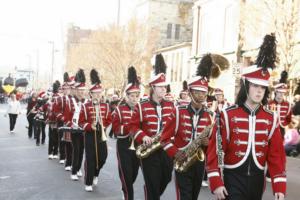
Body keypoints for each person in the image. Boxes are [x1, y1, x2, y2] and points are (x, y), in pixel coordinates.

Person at [206, 34, 286, 200]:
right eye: (255, 86)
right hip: (232, 179)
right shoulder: (228, 115)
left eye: (262, 88)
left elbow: (276, 154)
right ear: (246, 86)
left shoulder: (271, 118)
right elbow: (217, 149)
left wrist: (279, 184)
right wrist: (216, 180)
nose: (258, 91)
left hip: (257, 180)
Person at [160, 54, 214, 200]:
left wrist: (207, 144)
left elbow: (214, 144)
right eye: (198, 92)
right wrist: (175, 152)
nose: (202, 95)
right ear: (190, 93)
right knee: (184, 196)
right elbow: (164, 139)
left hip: (199, 163)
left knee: (194, 196)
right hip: (182, 160)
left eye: (204, 92)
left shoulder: (210, 116)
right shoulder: (178, 112)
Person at [130, 54, 174, 200]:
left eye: (165, 87)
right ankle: (151, 193)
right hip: (150, 151)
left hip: (167, 149)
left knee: (167, 178)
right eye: (160, 87)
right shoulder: (142, 106)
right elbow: (133, 127)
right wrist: (144, 137)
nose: (164, 89)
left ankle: (150, 192)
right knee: (153, 183)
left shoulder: (171, 105)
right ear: (153, 88)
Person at [78, 69, 111, 192]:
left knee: (103, 157)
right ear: (91, 94)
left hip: (101, 133)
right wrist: (88, 126)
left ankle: (96, 173)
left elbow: (109, 119)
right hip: (90, 135)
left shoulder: (106, 106)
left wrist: (104, 125)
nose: (98, 95)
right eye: (95, 93)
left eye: (99, 93)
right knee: (90, 158)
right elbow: (81, 122)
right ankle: (88, 181)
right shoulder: (85, 107)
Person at [112, 66, 140, 200]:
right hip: (124, 144)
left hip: (137, 145)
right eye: (132, 96)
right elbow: (116, 130)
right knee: (126, 173)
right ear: (127, 96)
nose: (135, 99)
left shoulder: (141, 110)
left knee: (133, 173)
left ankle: (125, 187)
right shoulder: (119, 110)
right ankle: (128, 195)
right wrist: (129, 127)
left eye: (137, 96)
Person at [64, 69, 87, 181]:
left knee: (82, 150)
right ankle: (73, 171)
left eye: (83, 90)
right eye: (80, 90)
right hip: (74, 130)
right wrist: (71, 125)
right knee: (76, 150)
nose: (82, 92)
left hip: (84, 130)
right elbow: (66, 117)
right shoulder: (70, 101)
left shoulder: (87, 102)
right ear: (76, 91)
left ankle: (78, 169)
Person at [268, 71, 292, 138]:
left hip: (282, 130)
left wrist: (285, 125)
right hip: (271, 130)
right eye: (280, 92)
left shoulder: (288, 105)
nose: (281, 94)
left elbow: (288, 118)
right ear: (276, 91)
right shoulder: (269, 104)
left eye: (283, 93)